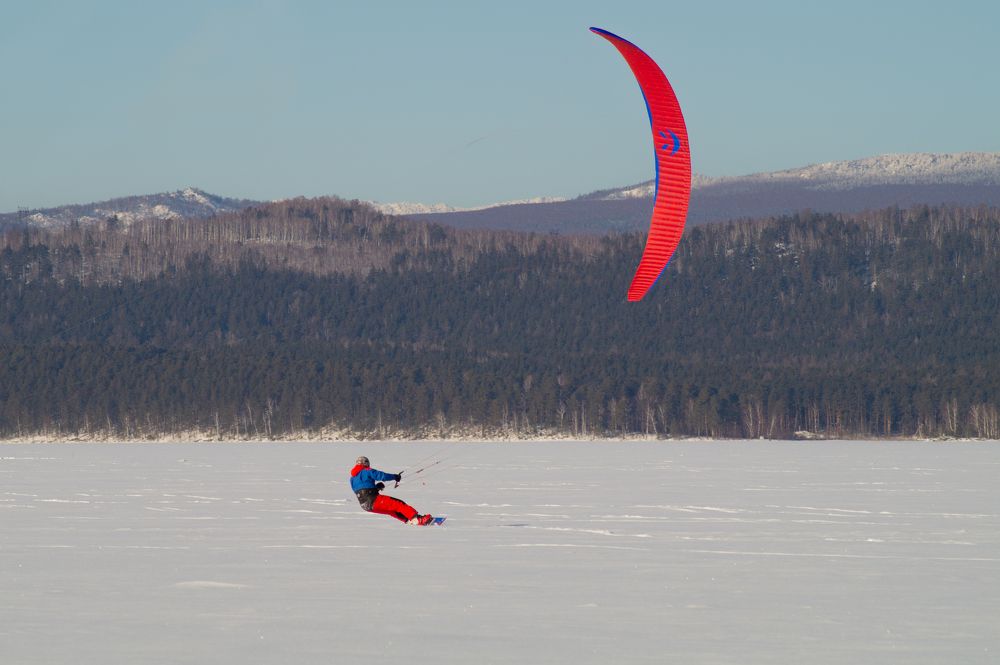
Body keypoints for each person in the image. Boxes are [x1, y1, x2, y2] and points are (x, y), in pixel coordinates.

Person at [350, 456, 434, 525]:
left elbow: (360, 490)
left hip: (365, 505)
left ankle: (409, 520)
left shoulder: (352, 478)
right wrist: (394, 477)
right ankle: (418, 519)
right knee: (398, 504)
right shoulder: (366, 471)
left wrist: (376, 488)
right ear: (366, 463)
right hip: (373, 500)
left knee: (391, 510)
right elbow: (381, 476)